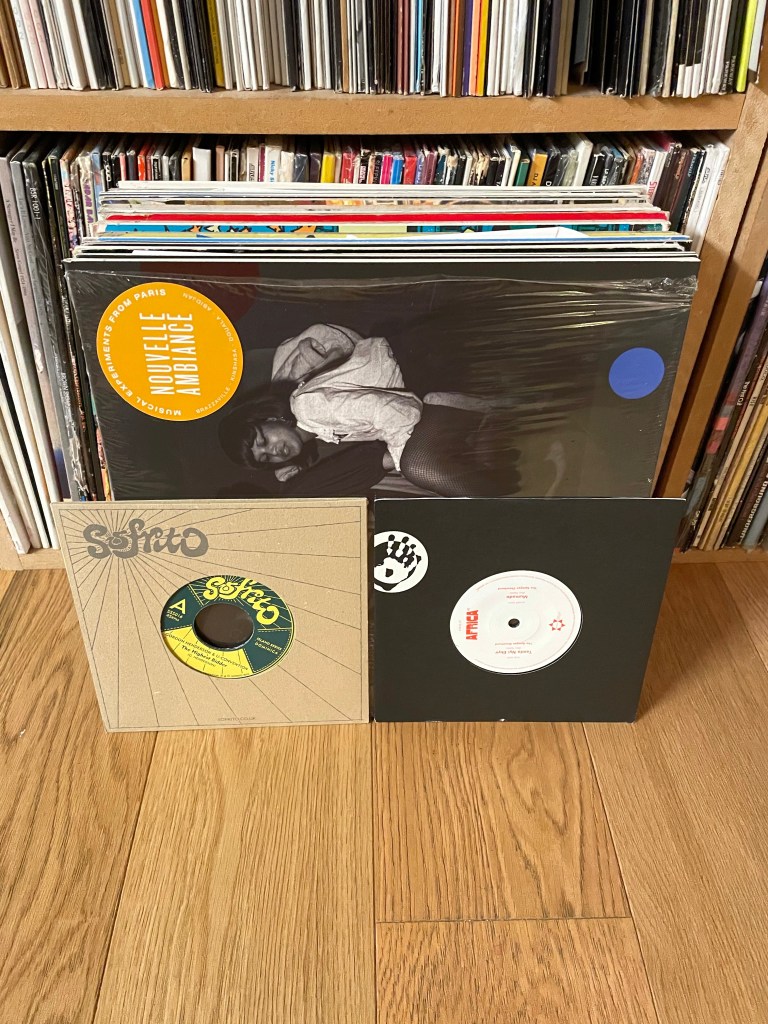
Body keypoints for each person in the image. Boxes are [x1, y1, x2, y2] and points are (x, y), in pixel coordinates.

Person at [218, 323, 520, 496]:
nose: (274, 451)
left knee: (417, 466)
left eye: (264, 440)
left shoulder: (308, 408)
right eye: (266, 457)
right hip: (425, 372)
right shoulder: (312, 426)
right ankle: (495, 466)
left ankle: (502, 505)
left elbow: (401, 413)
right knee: (437, 464)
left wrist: (401, 459)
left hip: (430, 363)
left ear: (270, 418)